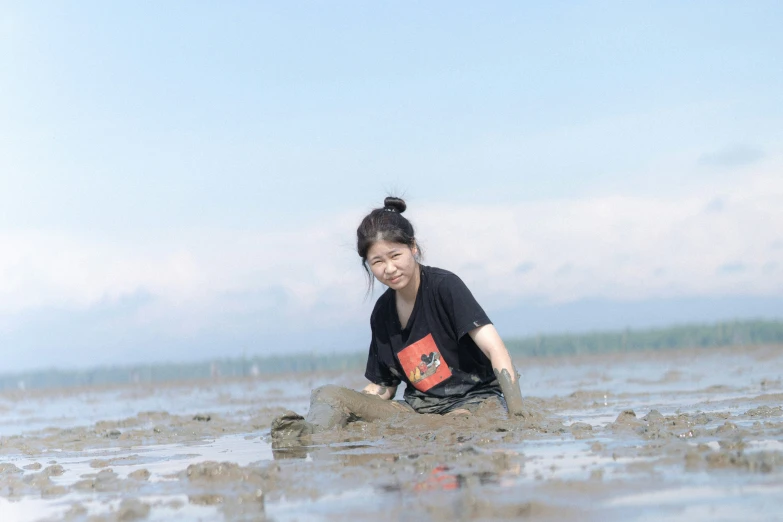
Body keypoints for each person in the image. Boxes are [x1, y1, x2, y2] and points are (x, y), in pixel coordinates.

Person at [271, 197, 524, 439]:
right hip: (419, 410)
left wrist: (518, 414)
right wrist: (353, 404)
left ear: (412, 247)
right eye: (377, 261)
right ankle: (307, 436)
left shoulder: (445, 287)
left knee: (454, 426)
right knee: (327, 394)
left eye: (395, 256)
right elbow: (385, 388)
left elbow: (496, 350)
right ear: (368, 265)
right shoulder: (382, 312)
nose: (389, 269)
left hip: (473, 402)